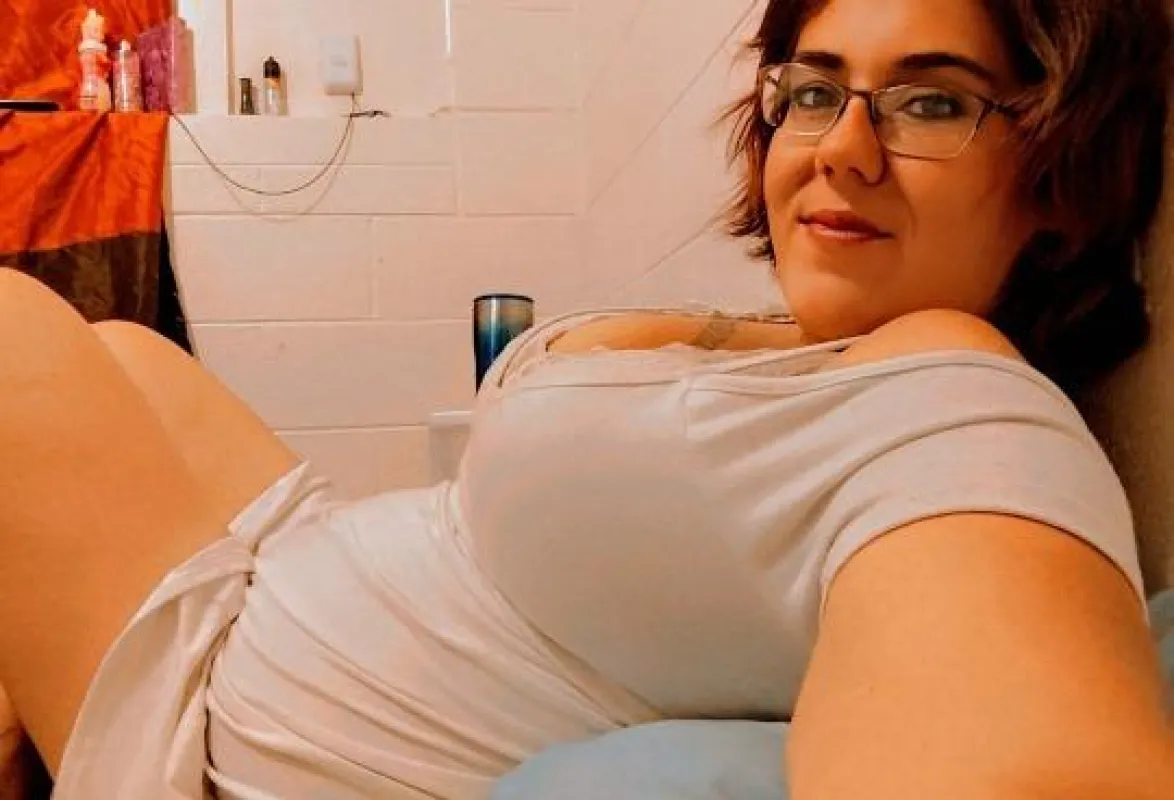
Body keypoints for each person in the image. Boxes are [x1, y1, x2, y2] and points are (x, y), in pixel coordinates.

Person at [2, 0, 1173, 796]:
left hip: (250, 728)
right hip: (300, 580)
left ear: (1056, 177)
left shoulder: (963, 402)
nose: (841, 148)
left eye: (932, 103)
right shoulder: (824, 345)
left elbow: (1016, 737)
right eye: (815, 89)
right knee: (123, 348)